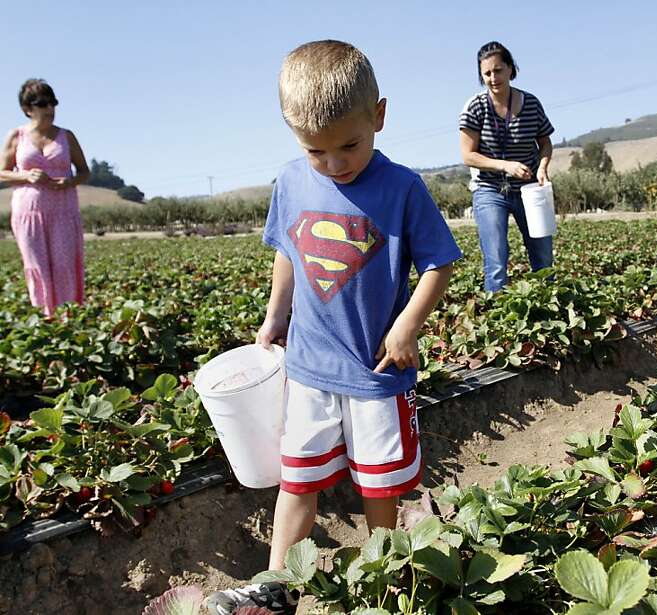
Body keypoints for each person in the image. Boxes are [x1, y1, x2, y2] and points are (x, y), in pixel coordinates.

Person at [206, 40, 462, 615]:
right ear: (294, 136)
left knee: (379, 487)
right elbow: (287, 253)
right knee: (297, 480)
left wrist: (407, 327)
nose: (335, 163)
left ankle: (384, 577)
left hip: (375, 370)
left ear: (379, 115)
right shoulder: (292, 181)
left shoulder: (402, 189)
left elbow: (440, 263)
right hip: (309, 368)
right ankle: (275, 584)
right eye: (316, 150)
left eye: (349, 145)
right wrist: (277, 315)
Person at [459, 41, 554, 292]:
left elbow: (545, 143)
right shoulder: (476, 107)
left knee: (543, 257)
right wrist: (505, 165)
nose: (493, 78)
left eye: (498, 70)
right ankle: (498, 322)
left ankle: (549, 311)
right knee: (497, 261)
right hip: (490, 189)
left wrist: (543, 167)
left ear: (511, 69)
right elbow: (468, 155)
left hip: (529, 190)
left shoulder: (531, 103)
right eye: (487, 73)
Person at [0, 79, 89, 316]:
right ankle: (44, 320)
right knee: (36, 266)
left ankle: (68, 318)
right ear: (28, 109)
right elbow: (2, 173)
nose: (49, 109)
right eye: (42, 104)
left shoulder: (66, 136)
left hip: (63, 212)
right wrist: (26, 176)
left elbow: (84, 171)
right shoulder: (16, 136)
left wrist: (69, 181)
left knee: (64, 266)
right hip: (28, 214)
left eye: (52, 103)